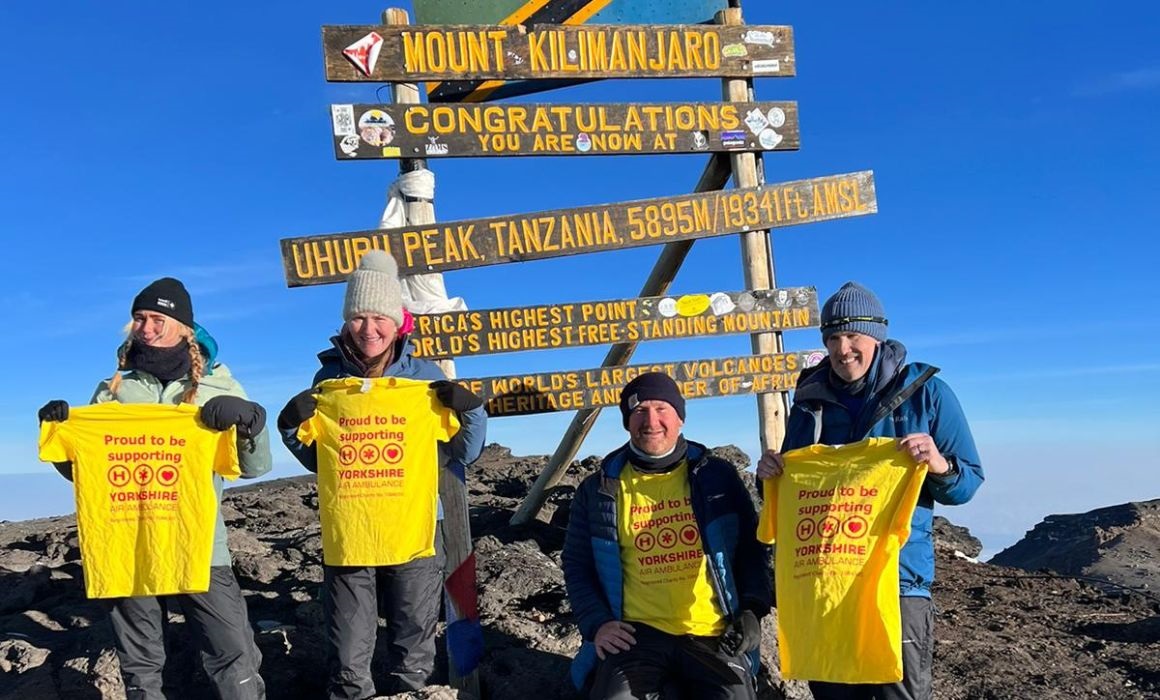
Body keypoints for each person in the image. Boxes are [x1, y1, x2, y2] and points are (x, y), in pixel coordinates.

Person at [37, 277, 271, 700]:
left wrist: (252, 422)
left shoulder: (220, 386)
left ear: (185, 327)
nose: (146, 328)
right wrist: (59, 439)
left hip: (200, 545)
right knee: (141, 666)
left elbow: (255, 467)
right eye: (139, 318)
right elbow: (88, 475)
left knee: (232, 653)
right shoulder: (113, 391)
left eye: (158, 319)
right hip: (129, 544)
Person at [757, 281, 983, 700]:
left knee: (899, 694)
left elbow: (966, 483)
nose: (843, 349)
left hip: (897, 583)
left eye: (852, 336)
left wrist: (938, 464)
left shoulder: (926, 392)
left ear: (876, 336)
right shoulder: (810, 401)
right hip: (827, 580)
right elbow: (796, 482)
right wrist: (770, 473)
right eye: (833, 338)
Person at [277, 251, 487, 699]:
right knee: (348, 657)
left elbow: (463, 453)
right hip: (350, 538)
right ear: (345, 323)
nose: (368, 329)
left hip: (412, 536)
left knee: (413, 652)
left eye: (378, 317)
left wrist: (472, 411)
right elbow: (322, 462)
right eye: (357, 318)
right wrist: (291, 430)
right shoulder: (328, 382)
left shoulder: (423, 381)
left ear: (398, 322)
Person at [562, 372, 772, 700]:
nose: (651, 420)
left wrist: (753, 608)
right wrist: (597, 623)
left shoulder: (717, 477)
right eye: (639, 411)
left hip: (713, 632)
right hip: (635, 635)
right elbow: (577, 563)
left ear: (680, 418)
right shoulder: (599, 489)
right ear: (627, 422)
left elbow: (750, 547)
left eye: (661, 408)